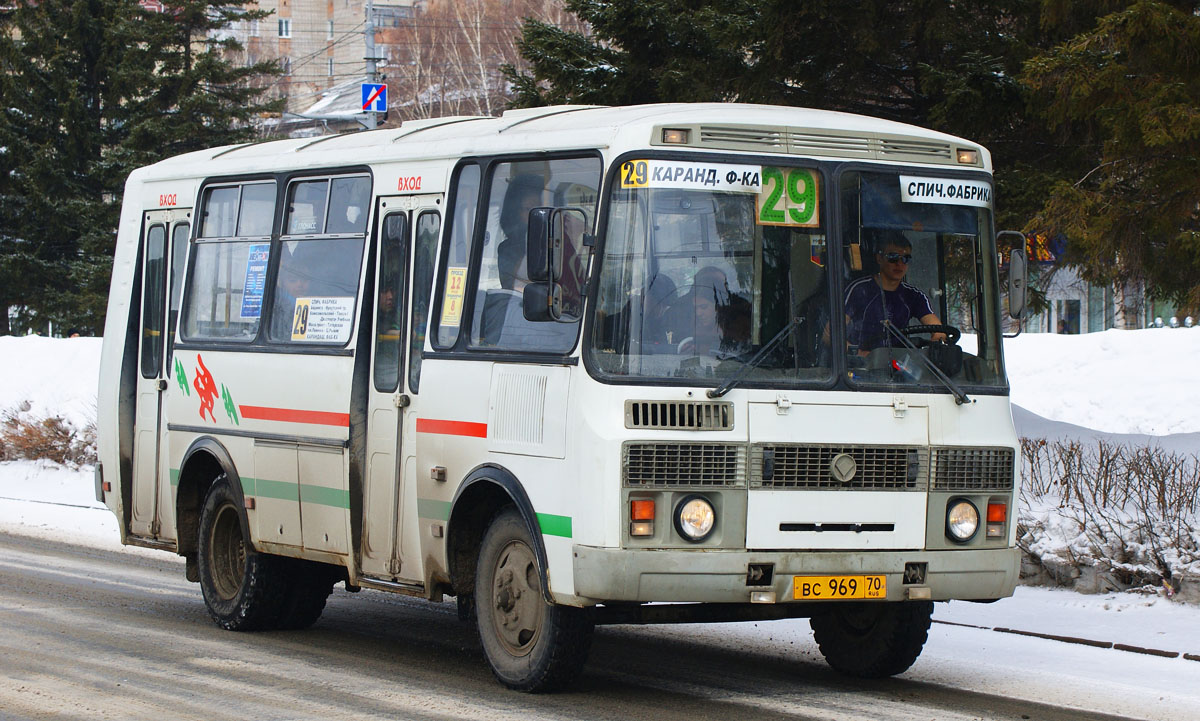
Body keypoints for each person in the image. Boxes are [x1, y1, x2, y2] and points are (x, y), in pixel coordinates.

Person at [844, 236, 944, 354]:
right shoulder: (859, 289)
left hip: (900, 367)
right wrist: (859, 354)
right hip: (861, 367)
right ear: (879, 259)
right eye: (893, 257)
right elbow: (830, 334)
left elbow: (939, 331)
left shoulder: (914, 296)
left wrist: (937, 341)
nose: (899, 264)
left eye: (905, 259)